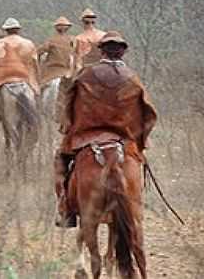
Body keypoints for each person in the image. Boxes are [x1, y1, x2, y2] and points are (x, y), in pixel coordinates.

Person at [54, 31, 157, 228]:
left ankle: (65, 208)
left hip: (87, 137)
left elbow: (69, 102)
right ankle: (135, 204)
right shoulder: (132, 78)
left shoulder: (86, 75)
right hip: (123, 138)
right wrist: (140, 139)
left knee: (60, 159)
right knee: (135, 162)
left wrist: (68, 126)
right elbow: (149, 113)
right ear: (123, 53)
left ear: (101, 52)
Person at [0, 18, 40, 117]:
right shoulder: (28, 43)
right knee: (37, 104)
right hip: (24, 79)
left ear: (5, 30)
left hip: (2, 81)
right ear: (18, 29)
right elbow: (35, 65)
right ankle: (39, 120)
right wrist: (35, 84)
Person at [38, 16, 77, 120]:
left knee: (38, 94)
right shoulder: (73, 40)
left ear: (56, 28)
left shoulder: (51, 40)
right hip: (68, 74)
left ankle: (40, 114)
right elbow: (76, 57)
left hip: (52, 74)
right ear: (68, 28)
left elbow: (38, 52)